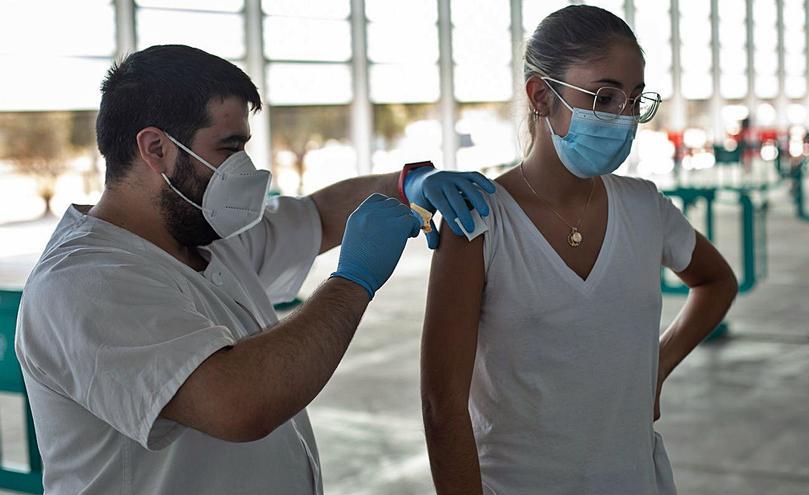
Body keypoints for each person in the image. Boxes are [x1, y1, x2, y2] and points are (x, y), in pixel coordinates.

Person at [14, 44, 495, 494]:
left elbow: (319, 216)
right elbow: (239, 403)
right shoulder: (86, 281)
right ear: (155, 148)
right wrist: (354, 281)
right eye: (228, 148)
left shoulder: (203, 235)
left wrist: (408, 182)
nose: (243, 169)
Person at [420, 6, 738, 495]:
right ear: (542, 96)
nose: (623, 117)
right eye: (604, 96)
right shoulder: (480, 220)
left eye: (634, 100)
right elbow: (442, 405)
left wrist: (657, 366)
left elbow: (716, 282)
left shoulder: (644, 207)